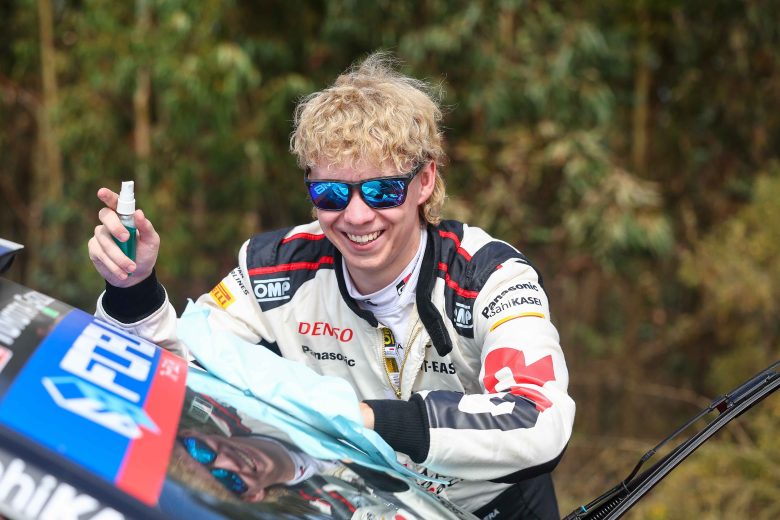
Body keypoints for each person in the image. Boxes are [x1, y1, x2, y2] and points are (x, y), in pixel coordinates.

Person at [88, 52, 575, 519]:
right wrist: (134, 288)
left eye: (383, 190)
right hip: (365, 504)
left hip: (493, 506)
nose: (357, 215)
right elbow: (172, 372)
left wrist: (364, 418)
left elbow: (539, 417)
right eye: (332, 193)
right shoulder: (272, 267)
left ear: (425, 181)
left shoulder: (490, 275)